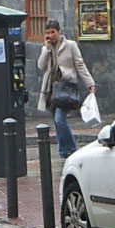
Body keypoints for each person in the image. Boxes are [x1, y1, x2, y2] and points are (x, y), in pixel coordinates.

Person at [37, 19, 96, 160]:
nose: (50, 35)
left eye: (53, 32)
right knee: (57, 122)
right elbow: (40, 66)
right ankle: (63, 151)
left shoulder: (70, 45)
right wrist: (46, 49)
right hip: (51, 89)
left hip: (66, 88)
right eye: (47, 33)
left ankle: (72, 149)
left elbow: (80, 65)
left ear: (59, 32)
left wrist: (90, 83)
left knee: (60, 119)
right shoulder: (46, 48)